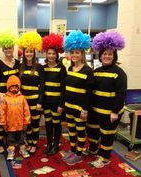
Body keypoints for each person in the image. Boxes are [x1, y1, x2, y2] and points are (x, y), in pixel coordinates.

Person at [87, 31, 127, 168]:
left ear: (114, 56)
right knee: (92, 131)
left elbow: (121, 94)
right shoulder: (96, 72)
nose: (107, 56)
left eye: (110, 54)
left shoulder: (119, 73)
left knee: (106, 135)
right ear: (100, 56)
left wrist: (115, 112)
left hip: (110, 112)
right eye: (105, 54)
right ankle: (93, 149)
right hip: (95, 110)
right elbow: (91, 92)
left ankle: (104, 158)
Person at [62, 30, 93, 165]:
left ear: (82, 54)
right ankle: (73, 150)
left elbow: (89, 93)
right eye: (72, 52)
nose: (74, 55)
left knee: (80, 132)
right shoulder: (70, 69)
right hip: (69, 108)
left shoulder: (88, 70)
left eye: (77, 52)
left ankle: (79, 154)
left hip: (80, 109)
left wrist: (85, 110)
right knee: (71, 131)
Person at [0, 30, 20, 153]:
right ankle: (0, 144)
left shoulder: (18, 64)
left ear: (13, 49)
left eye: (10, 48)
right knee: (3, 121)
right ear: (3, 50)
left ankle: (12, 142)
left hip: (14, 99)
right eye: (6, 49)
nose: (8, 51)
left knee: (13, 120)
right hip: (1, 98)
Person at [18, 31, 44, 154]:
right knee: (26, 123)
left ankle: (34, 143)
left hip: (35, 101)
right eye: (27, 51)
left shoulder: (39, 67)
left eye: (31, 51)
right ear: (23, 53)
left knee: (34, 123)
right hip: (23, 101)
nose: (29, 54)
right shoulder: (20, 67)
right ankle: (29, 141)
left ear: (34, 53)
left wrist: (40, 102)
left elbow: (42, 86)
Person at [42, 33, 67, 155]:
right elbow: (42, 86)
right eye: (49, 53)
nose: (51, 56)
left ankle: (56, 145)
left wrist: (61, 104)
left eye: (53, 53)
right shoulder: (43, 68)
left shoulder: (62, 68)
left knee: (56, 124)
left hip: (57, 103)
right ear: (46, 54)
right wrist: (40, 102)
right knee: (48, 123)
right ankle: (49, 144)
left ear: (57, 54)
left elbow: (64, 88)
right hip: (46, 102)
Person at [0, 75, 31, 160]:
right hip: (10, 125)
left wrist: (26, 122)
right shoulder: (5, 99)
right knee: (10, 140)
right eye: (11, 87)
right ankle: (11, 151)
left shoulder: (22, 98)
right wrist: (3, 123)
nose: (14, 89)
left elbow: (26, 111)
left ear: (19, 87)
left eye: (16, 87)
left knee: (21, 139)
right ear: (8, 87)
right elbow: (2, 113)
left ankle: (22, 150)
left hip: (21, 125)